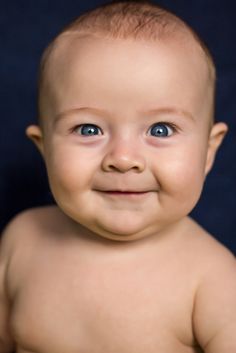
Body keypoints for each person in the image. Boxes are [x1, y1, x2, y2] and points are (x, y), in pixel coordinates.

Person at [0, 1, 235, 352]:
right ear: (44, 148)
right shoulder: (22, 240)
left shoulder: (214, 281)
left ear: (208, 151)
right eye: (88, 128)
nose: (123, 159)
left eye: (160, 129)